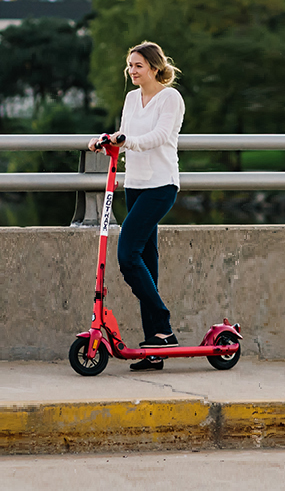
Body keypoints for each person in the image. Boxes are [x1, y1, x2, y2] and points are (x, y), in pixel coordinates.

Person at [87, 40, 186, 371]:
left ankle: (162, 321)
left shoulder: (170, 98)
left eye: (138, 66)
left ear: (155, 68)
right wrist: (106, 141)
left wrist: (127, 141)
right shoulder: (132, 98)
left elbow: (159, 136)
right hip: (136, 185)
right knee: (147, 260)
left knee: (127, 255)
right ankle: (156, 343)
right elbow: (124, 135)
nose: (132, 71)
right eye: (130, 65)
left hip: (161, 185)